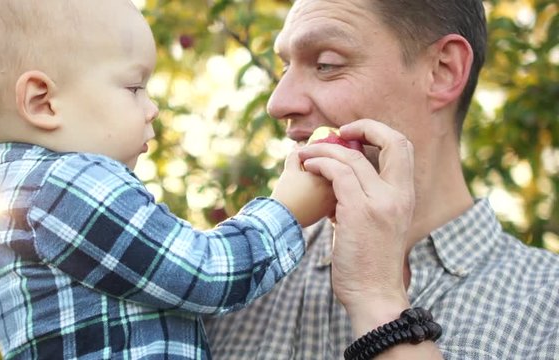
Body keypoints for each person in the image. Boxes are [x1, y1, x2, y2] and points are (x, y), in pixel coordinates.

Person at [0, 0, 338, 358]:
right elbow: (205, 275)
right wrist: (287, 210)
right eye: (134, 87)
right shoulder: (70, 184)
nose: (151, 109)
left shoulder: (23, 194)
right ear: (42, 101)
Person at [204, 0, 559, 359]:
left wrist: (376, 300)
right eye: (285, 66)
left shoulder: (548, 312)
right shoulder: (232, 277)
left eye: (326, 64)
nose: (278, 103)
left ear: (443, 70)